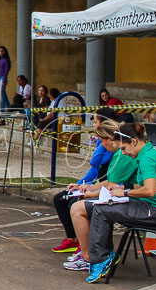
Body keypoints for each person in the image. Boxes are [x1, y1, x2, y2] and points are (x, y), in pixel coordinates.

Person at [80, 122, 156, 283]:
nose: (123, 153)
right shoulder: (147, 155)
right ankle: (104, 255)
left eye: (123, 148)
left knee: (101, 210)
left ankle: (100, 259)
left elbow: (150, 190)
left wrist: (125, 192)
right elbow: (144, 185)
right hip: (151, 207)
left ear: (134, 142)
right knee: (104, 207)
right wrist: (123, 188)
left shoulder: (147, 159)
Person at [60, 119, 138, 271]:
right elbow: (110, 181)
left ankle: (89, 255)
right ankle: (92, 252)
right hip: (125, 196)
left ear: (111, 139)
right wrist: (91, 188)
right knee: (78, 203)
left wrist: (90, 194)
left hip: (132, 201)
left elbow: (112, 184)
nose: (101, 145)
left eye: (102, 141)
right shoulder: (120, 153)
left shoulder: (123, 155)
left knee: (78, 208)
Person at [49, 108, 119, 254]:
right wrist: (81, 184)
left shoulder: (115, 148)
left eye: (95, 121)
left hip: (107, 188)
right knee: (61, 198)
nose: (93, 124)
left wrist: (90, 190)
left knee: (76, 203)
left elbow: (98, 161)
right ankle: (72, 239)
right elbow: (94, 168)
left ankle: (85, 247)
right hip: (98, 184)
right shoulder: (104, 142)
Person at [0, 46, 11, 113]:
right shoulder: (0, 60)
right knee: (3, 94)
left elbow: (6, 70)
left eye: (2, 51)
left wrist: (4, 80)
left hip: (3, 78)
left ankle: (1, 110)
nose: (1, 52)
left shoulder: (6, 60)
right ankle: (8, 107)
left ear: (5, 52)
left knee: (1, 95)